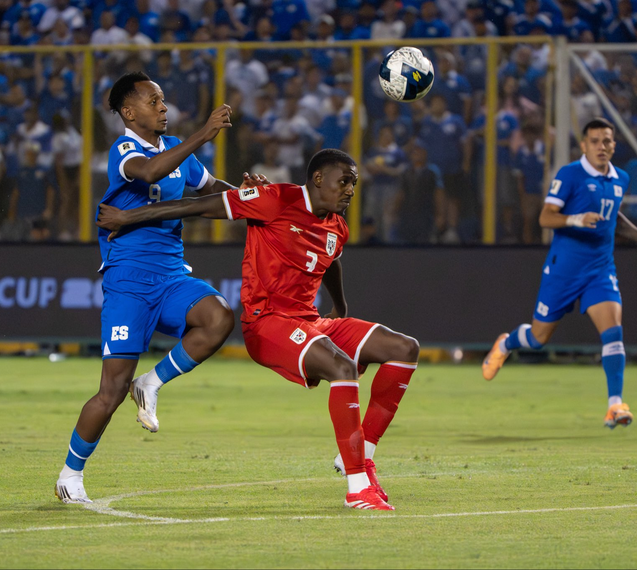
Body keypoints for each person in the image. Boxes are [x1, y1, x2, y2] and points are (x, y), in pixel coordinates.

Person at [97, 149, 421, 511]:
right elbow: (195, 206)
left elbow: (331, 260)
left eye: (354, 185)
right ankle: (358, 486)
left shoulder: (337, 225)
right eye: (344, 181)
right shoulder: (275, 199)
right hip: (267, 322)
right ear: (317, 179)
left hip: (309, 320)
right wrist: (129, 217)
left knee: (405, 348)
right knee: (341, 367)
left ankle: (363, 455)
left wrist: (341, 308)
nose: (350, 191)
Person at [54, 71, 258, 504]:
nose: (163, 107)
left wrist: (249, 198)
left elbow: (209, 189)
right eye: (154, 101)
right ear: (129, 112)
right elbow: (148, 171)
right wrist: (204, 134)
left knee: (218, 316)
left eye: (163, 100)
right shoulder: (125, 150)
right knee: (110, 391)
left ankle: (152, 382)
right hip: (128, 284)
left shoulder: (178, 151)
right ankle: (70, 475)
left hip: (171, 277)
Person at [481, 118, 637, 429]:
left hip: (600, 270)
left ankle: (615, 405)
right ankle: (506, 343)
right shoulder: (570, 175)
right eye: (594, 141)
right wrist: (576, 219)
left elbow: (614, 219)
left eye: (607, 141)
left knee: (613, 331)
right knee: (538, 338)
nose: (601, 146)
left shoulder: (620, 178)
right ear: (584, 145)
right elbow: (545, 217)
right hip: (563, 271)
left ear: (613, 145)